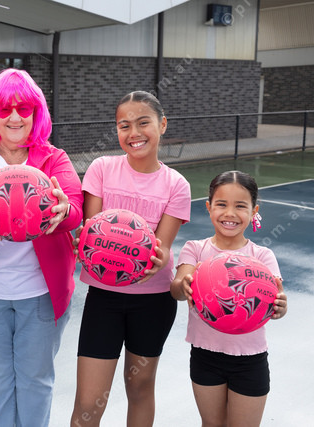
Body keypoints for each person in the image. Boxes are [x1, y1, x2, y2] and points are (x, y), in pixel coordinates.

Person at [0, 68, 83, 427]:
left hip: (40, 294)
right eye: (4, 108)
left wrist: (62, 211)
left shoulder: (54, 158)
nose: (14, 117)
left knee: (35, 383)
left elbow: (74, 210)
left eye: (24, 109)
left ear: (36, 114)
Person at [70, 90, 192, 426]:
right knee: (88, 401)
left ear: (162, 125)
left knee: (139, 388)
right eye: (124, 125)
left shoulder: (177, 185)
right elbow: (91, 232)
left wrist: (153, 260)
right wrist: (83, 243)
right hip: (104, 299)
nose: (134, 133)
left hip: (153, 302)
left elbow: (161, 249)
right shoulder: (101, 169)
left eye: (143, 123)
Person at [170, 170, 288, 427]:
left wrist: (280, 308)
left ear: (254, 211)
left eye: (240, 206)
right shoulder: (195, 249)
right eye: (221, 204)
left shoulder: (262, 256)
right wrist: (184, 284)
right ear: (209, 207)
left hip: (250, 360)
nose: (230, 213)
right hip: (205, 356)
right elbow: (177, 289)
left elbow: (275, 301)